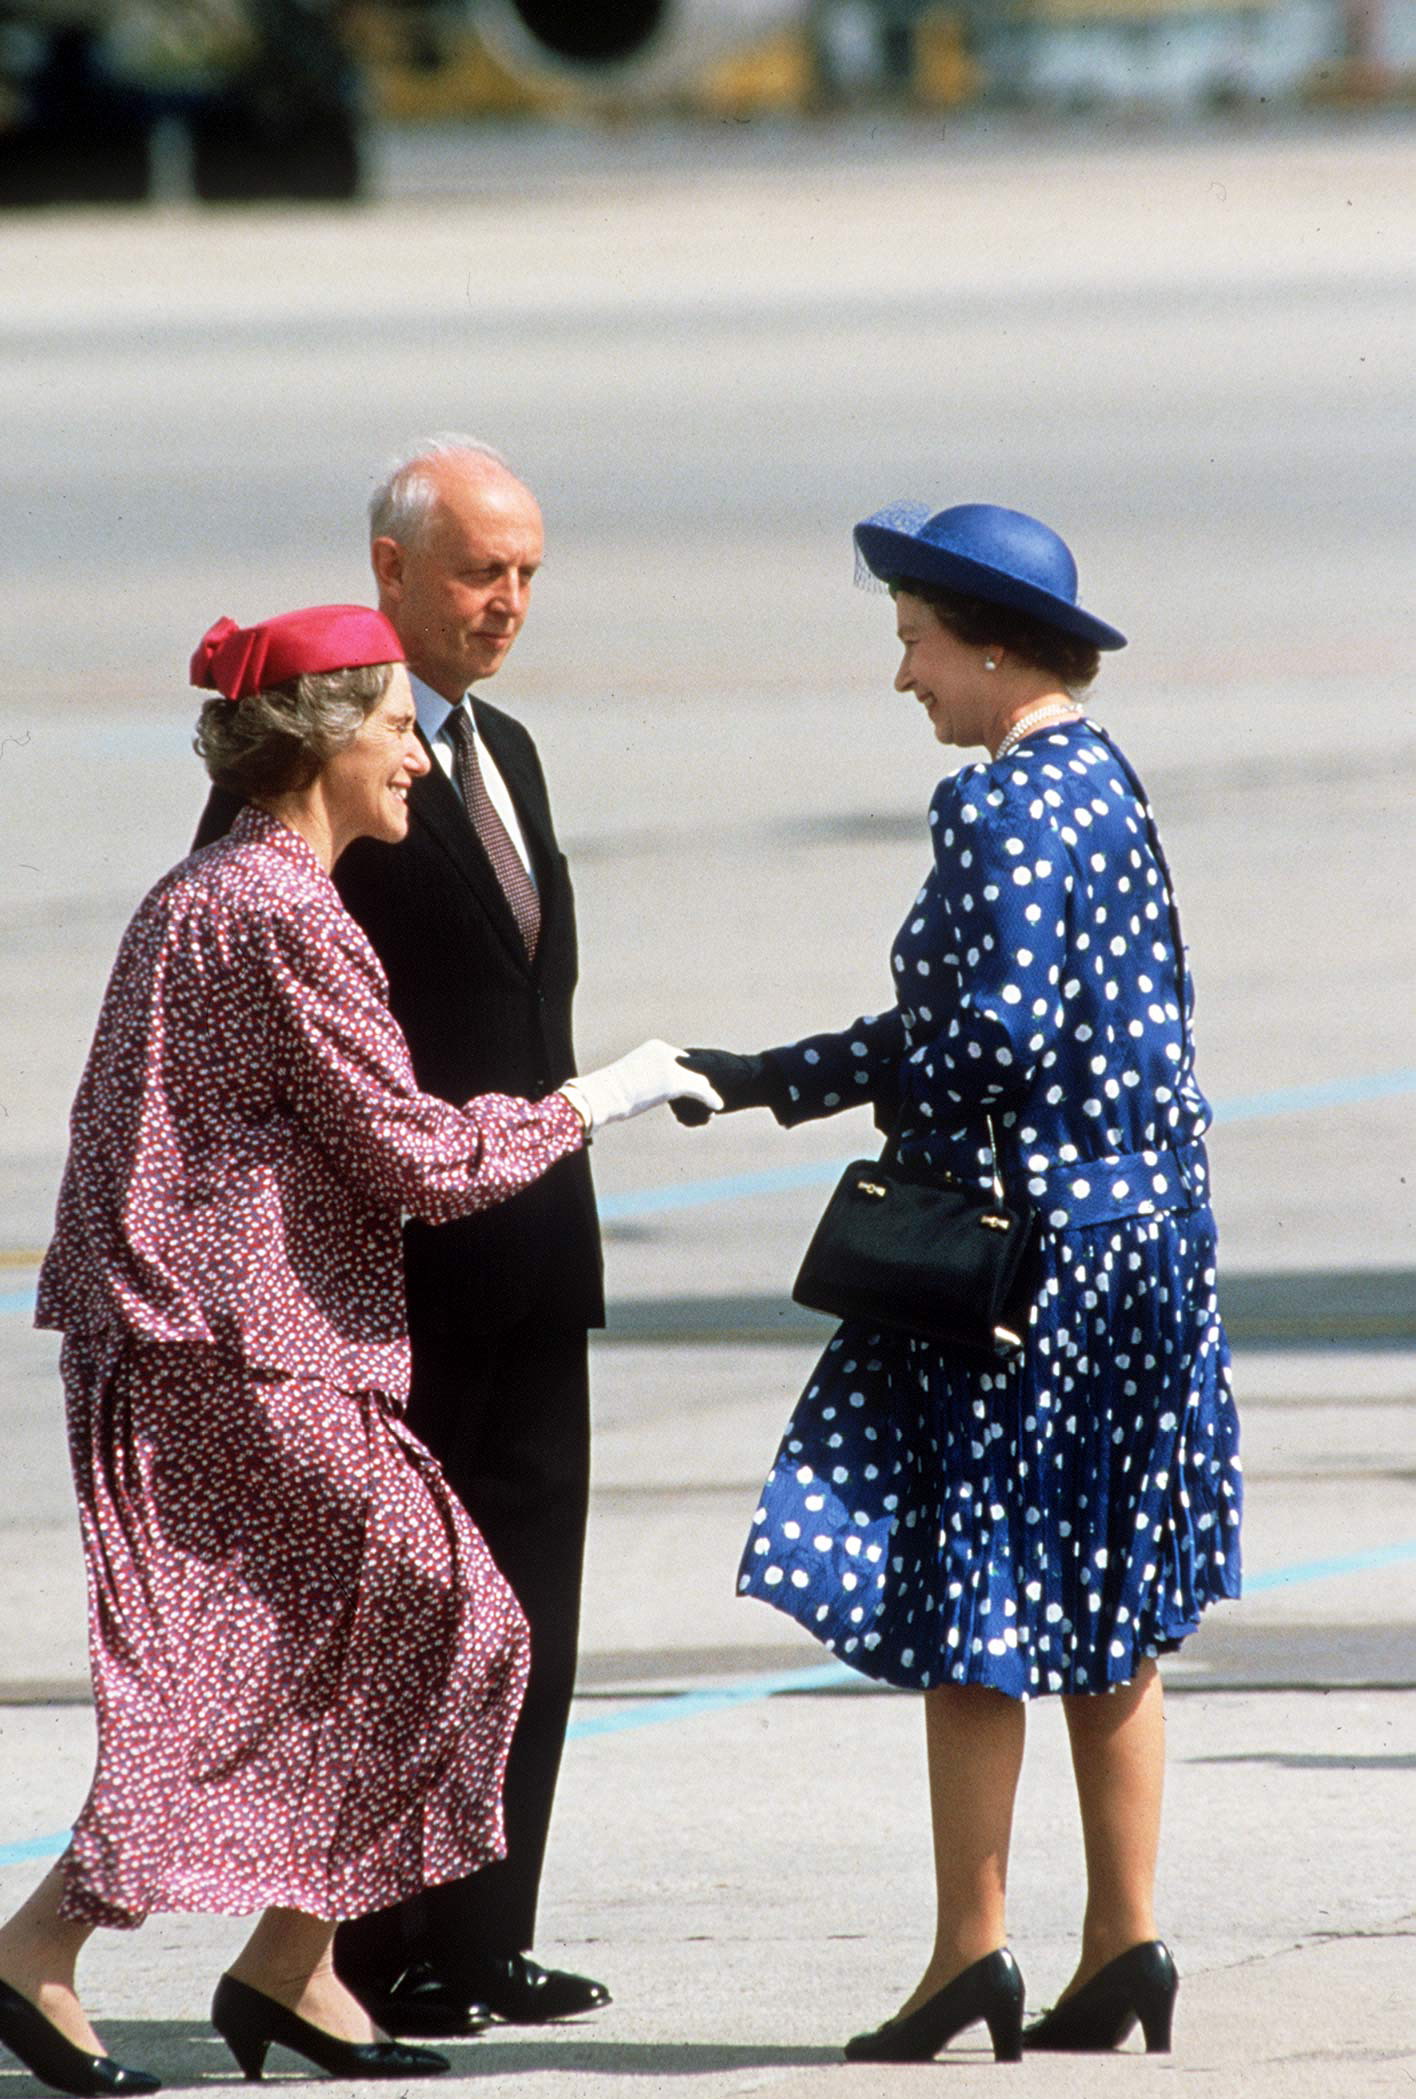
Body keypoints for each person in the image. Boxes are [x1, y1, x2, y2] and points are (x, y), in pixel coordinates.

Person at [0, 606, 720, 2099]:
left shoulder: (225, 890)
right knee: (425, 1627)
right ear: (325, 738)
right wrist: (599, 1100)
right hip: (232, 1346)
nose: (418, 752)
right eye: (396, 725)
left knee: (391, 1635)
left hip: (223, 1336)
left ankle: (291, 1966)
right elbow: (414, 1158)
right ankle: (43, 1956)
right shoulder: (278, 909)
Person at [676, 502, 1242, 2063]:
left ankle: (966, 1957)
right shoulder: (1103, 781)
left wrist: (809, 1086)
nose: (906, 678)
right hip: (1146, 1248)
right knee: (1114, 1604)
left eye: (916, 643)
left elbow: (989, 1039)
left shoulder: (996, 805)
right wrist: (780, 1076)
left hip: (1029, 1266)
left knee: (974, 1605)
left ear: (991, 642)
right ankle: (1125, 1942)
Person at [193, 437, 611, 2035]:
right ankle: (360, 1951)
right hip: (386, 1267)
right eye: (476, 572)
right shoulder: (314, 772)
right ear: (389, 573)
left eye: (524, 577)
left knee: (527, 1603)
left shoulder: (508, 750)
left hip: (530, 1249)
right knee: (393, 1616)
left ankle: (480, 1934)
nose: (506, 604)